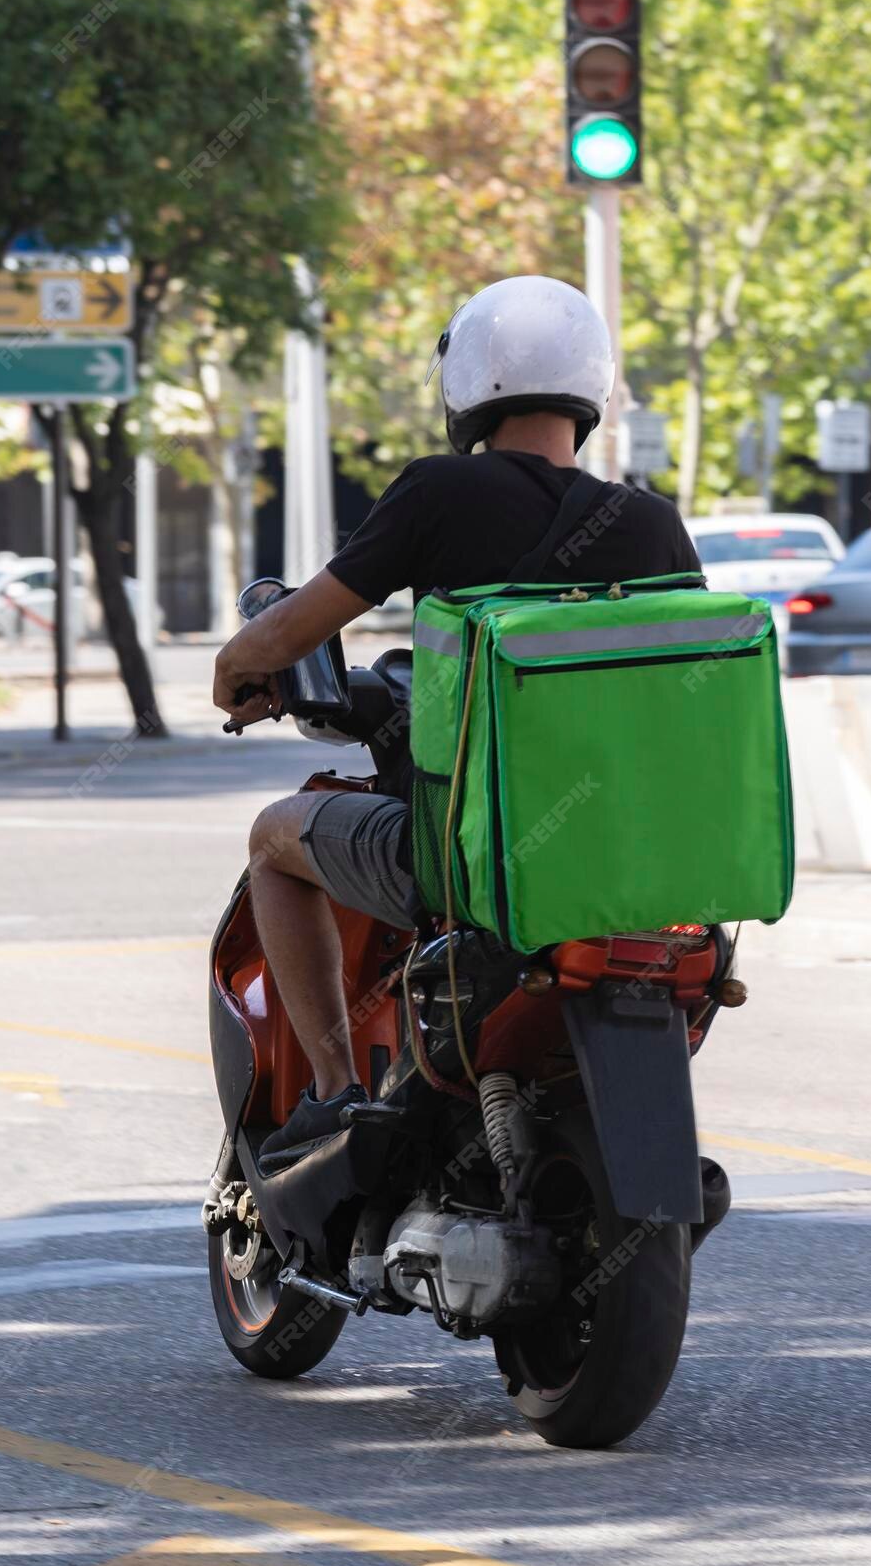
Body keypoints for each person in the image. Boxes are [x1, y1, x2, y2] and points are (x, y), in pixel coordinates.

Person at [211, 275, 700, 1166]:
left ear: (465, 384)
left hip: (469, 858)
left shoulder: (438, 493)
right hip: (629, 861)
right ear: (592, 385)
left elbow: (294, 627)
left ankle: (331, 1092)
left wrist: (236, 666)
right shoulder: (652, 524)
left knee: (272, 839)